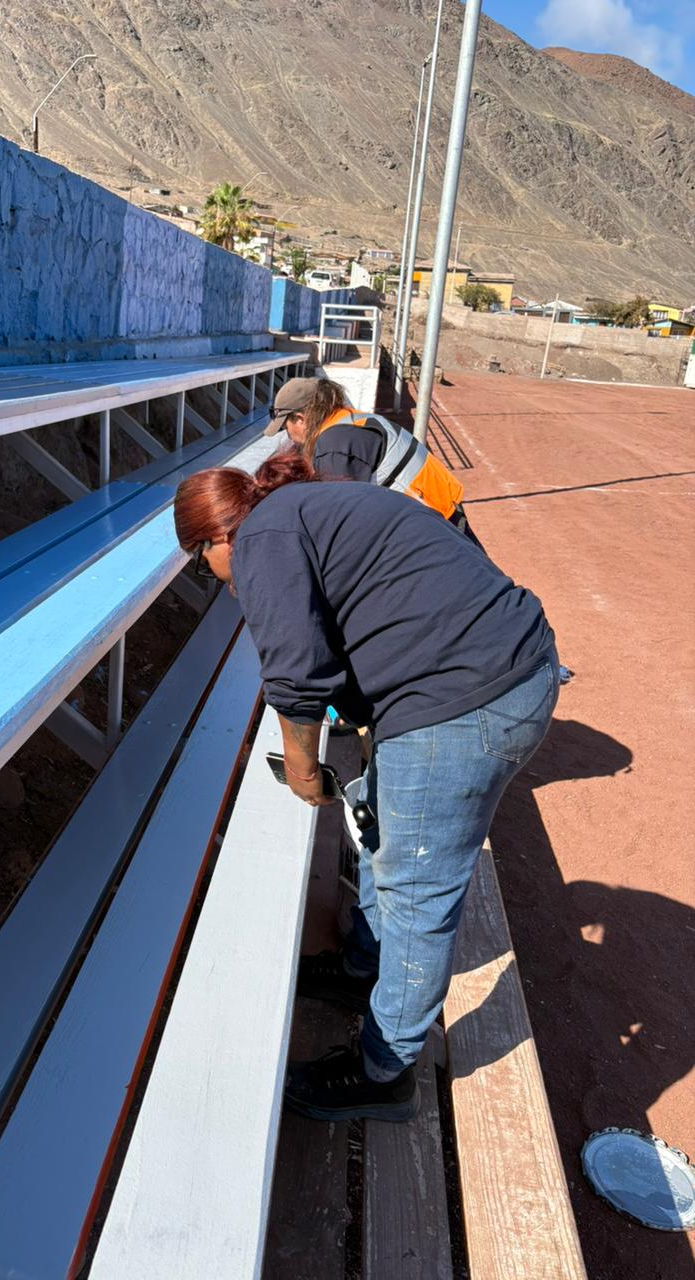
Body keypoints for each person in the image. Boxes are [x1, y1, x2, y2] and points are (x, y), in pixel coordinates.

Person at [174, 451, 558, 1123]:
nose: (213, 578)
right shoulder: (301, 511)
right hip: (486, 673)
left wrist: (301, 769)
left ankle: (386, 1070)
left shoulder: (261, 537)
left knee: (416, 889)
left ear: (213, 539)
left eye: (199, 562)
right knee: (386, 825)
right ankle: (362, 966)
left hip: (467, 698)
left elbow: (294, 675)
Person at [265, 375, 483, 545]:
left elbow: (340, 520)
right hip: (441, 509)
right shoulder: (349, 419)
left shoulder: (335, 444)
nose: (288, 435)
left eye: (285, 427)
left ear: (301, 419)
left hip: (436, 523)